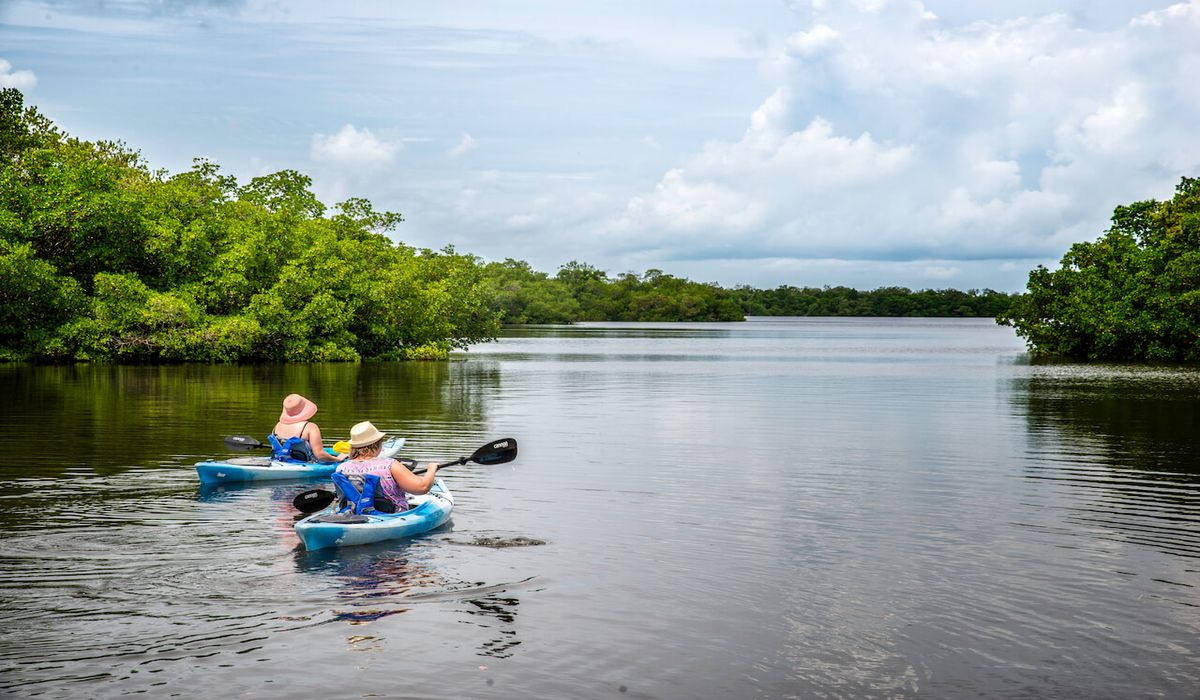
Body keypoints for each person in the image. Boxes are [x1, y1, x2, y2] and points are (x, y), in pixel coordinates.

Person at [335, 421, 438, 512]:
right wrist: (431, 469)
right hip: (390, 515)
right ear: (377, 444)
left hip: (353, 513)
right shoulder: (390, 465)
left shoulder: (341, 468)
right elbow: (422, 487)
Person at [271, 393, 346, 464]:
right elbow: (320, 455)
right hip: (303, 463)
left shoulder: (277, 426)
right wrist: (338, 459)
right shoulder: (310, 427)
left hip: (279, 460)